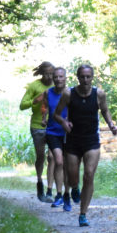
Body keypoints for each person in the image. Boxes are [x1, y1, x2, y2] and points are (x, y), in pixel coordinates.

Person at [53, 64, 117, 227]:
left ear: (92, 77)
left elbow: (105, 110)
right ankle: (75, 188)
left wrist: (111, 124)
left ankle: (83, 214)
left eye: (88, 77)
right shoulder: (69, 93)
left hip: (91, 140)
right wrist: (64, 123)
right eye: (82, 77)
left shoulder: (99, 94)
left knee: (89, 175)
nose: (85, 79)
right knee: (73, 178)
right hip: (73, 140)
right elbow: (56, 114)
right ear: (78, 77)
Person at [19, 61, 56, 202]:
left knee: (52, 157)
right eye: (46, 74)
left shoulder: (57, 84)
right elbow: (22, 105)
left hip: (53, 125)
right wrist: (35, 100)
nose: (49, 77)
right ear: (41, 73)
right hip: (37, 126)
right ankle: (40, 181)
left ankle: (49, 190)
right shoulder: (34, 86)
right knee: (40, 156)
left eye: (51, 74)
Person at [44, 67, 71, 212]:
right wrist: (44, 119)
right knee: (58, 161)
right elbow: (46, 109)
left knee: (68, 165)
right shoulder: (48, 93)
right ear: (52, 79)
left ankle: (67, 194)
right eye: (56, 77)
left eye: (61, 77)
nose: (58, 79)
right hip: (52, 132)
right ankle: (58, 194)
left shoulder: (71, 93)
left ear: (65, 78)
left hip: (68, 133)